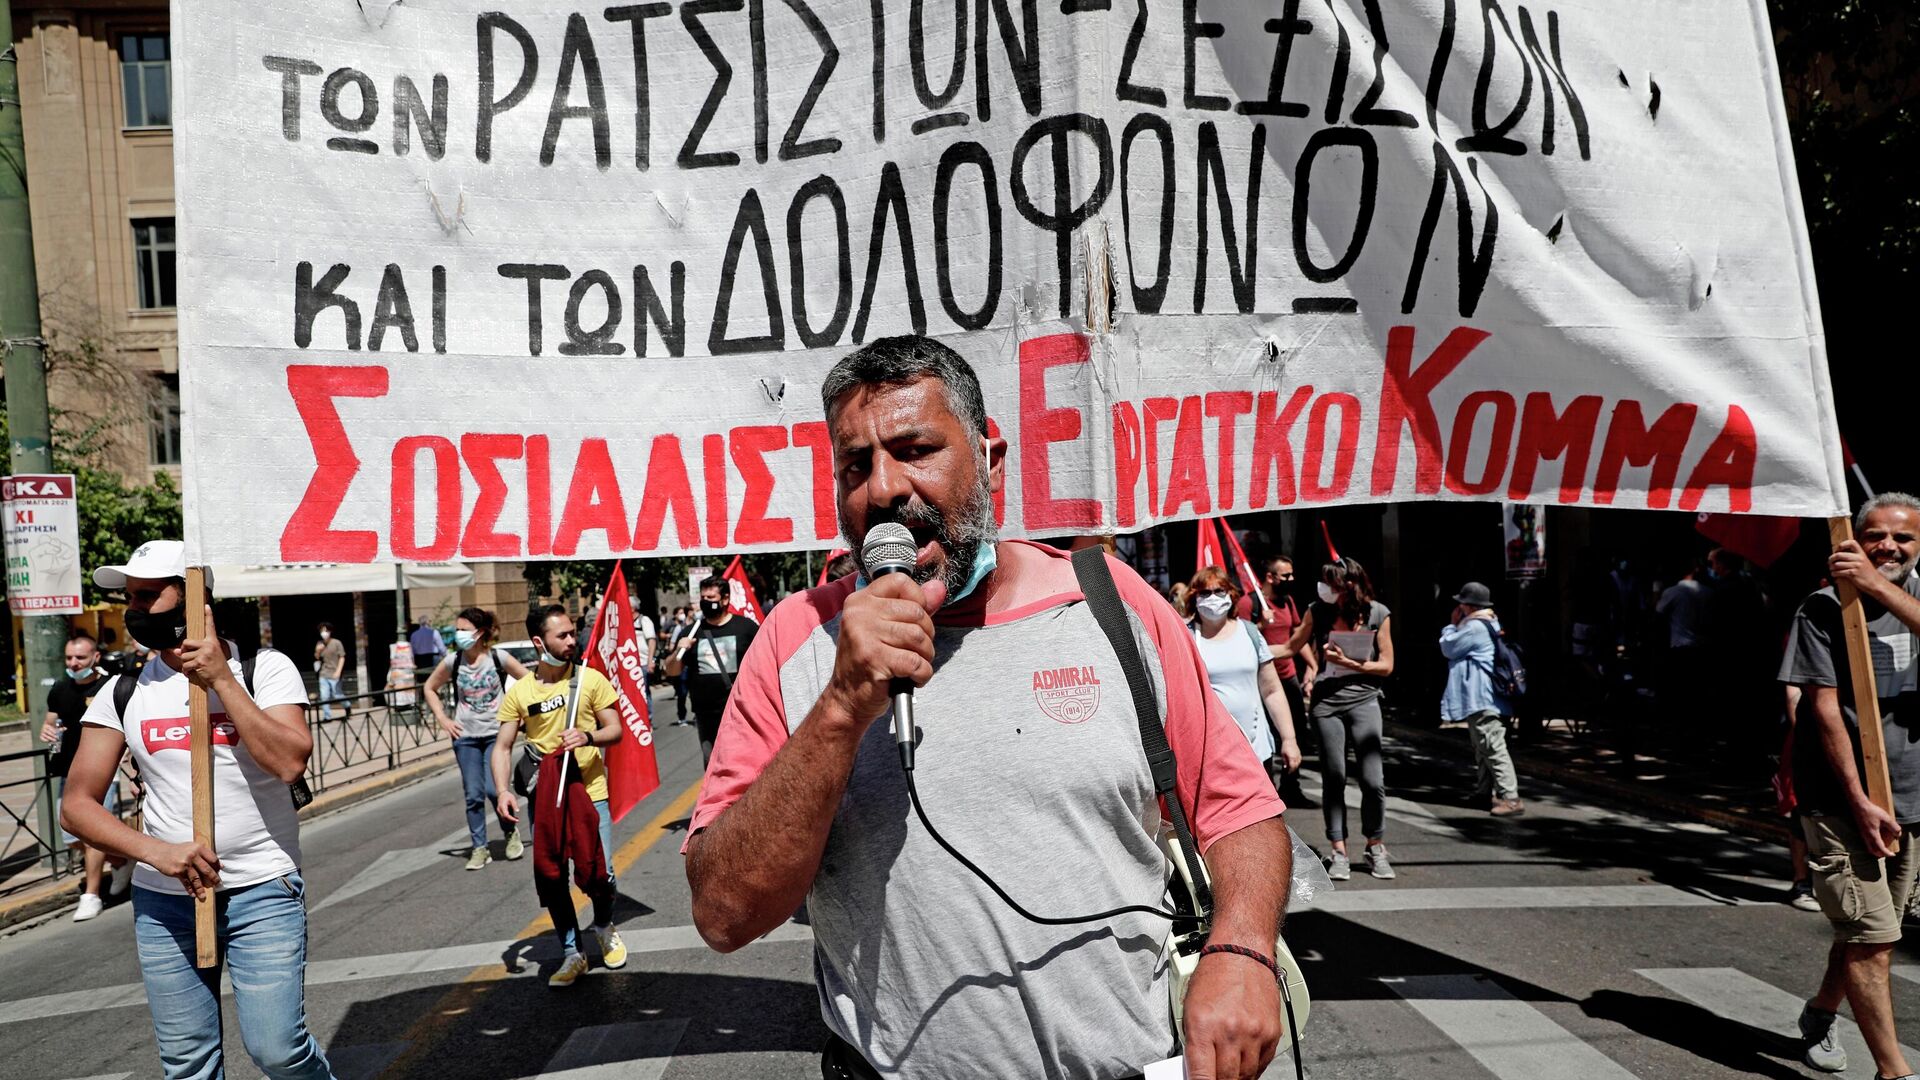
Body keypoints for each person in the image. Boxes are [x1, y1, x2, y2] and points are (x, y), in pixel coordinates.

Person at [684, 335, 1291, 1080]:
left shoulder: (1111, 602)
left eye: (915, 449)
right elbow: (723, 913)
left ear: (990, 460)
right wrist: (840, 710)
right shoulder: (797, 640)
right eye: (855, 465)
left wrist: (1243, 948)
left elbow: (1240, 811)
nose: (883, 489)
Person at [61, 541, 334, 1079]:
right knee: (188, 1064)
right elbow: (76, 804)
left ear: (194, 600)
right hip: (166, 904)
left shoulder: (265, 668)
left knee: (277, 1048)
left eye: (148, 596)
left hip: (262, 889)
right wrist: (156, 853)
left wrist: (222, 682)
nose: (134, 610)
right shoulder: (124, 689)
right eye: (128, 599)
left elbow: (288, 763)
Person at [1782, 493, 1920, 1080]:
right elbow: (1820, 710)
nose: (1888, 547)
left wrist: (1880, 584)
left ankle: (1819, 1014)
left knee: (1874, 930)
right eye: (1875, 536)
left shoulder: (1913, 596)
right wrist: (1859, 803)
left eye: (1903, 537)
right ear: (1852, 539)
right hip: (1843, 805)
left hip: (1911, 798)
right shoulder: (1821, 607)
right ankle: (1894, 1073)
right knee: (1872, 940)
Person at [490, 605, 628, 988]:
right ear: (539, 642)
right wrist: (503, 791)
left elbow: (615, 729)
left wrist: (588, 736)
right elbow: (502, 747)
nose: (572, 641)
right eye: (562, 636)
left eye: (573, 633)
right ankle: (572, 952)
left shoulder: (590, 680)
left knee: (601, 873)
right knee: (553, 877)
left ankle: (603, 926)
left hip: (590, 792)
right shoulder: (521, 692)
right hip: (546, 797)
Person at [1290, 556, 1397, 881]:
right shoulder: (1317, 610)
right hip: (1327, 705)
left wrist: (1351, 663)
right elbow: (1291, 646)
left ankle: (1375, 845)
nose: (1324, 588)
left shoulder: (1378, 613)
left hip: (1365, 699)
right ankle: (1339, 850)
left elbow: (1387, 665)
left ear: (1348, 586)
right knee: (1334, 777)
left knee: (1372, 780)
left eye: (1331, 583)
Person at [423, 607, 532, 870]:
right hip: (466, 737)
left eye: (463, 629)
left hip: (496, 735)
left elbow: (529, 682)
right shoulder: (453, 661)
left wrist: (519, 715)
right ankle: (480, 847)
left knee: (496, 790)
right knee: (473, 795)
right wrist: (443, 719)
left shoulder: (498, 658)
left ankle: (510, 832)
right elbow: (429, 687)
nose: (458, 634)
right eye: (457, 629)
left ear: (480, 632)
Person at [40, 630, 132, 920]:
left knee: (93, 832)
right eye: (69, 657)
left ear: (95, 657)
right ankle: (121, 861)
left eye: (80, 657)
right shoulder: (59, 689)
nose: (74, 662)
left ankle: (91, 895)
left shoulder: (109, 687)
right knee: (71, 834)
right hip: (68, 770)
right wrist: (47, 730)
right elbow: (50, 721)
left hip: (101, 772)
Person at [1192, 566, 1302, 779]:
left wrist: (1289, 739)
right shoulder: (1185, 636)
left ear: (1231, 595)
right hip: (1209, 756)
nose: (1212, 598)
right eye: (1205, 593)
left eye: (1219, 591)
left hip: (1256, 751)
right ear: (1194, 597)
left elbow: (1272, 690)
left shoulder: (1250, 633)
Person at [1440, 582, 1523, 816]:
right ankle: (1484, 792)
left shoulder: (1475, 626)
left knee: (1492, 746)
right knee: (1483, 746)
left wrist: (1450, 625)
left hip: (1483, 697)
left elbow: (1449, 647)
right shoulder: (1490, 622)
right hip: (1490, 699)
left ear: (1467, 606)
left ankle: (1510, 797)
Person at [663, 577, 759, 768]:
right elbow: (672, 671)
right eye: (703, 597)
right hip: (706, 713)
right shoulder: (691, 632)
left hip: (739, 711)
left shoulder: (746, 628)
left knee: (744, 764)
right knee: (714, 765)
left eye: (711, 597)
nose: (706, 601)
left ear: (725, 599)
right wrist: (678, 652)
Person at [1237, 554, 1308, 793]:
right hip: (1262, 680)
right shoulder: (1249, 604)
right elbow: (1239, 636)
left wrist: (1312, 665)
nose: (1291, 578)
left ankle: (1292, 785)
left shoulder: (1288, 602)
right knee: (1268, 734)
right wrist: (1261, 627)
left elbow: (1296, 636)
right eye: (1285, 575)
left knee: (1294, 730)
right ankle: (1267, 787)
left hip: (1288, 676)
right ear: (1270, 577)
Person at [665, 607, 696, 724]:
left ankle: (696, 714)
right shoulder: (680, 628)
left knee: (694, 691)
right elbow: (672, 645)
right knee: (682, 692)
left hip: (692, 664)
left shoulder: (697, 626)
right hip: (682, 664)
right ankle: (682, 716)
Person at [313, 622, 346, 720]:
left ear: (330, 631)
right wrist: (318, 651)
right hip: (323, 673)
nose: (324, 633)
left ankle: (347, 706)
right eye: (322, 631)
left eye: (326, 631)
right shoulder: (319, 644)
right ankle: (327, 716)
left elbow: (342, 657)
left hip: (335, 673)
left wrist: (338, 671)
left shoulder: (336, 643)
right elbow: (317, 658)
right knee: (324, 696)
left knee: (337, 695)